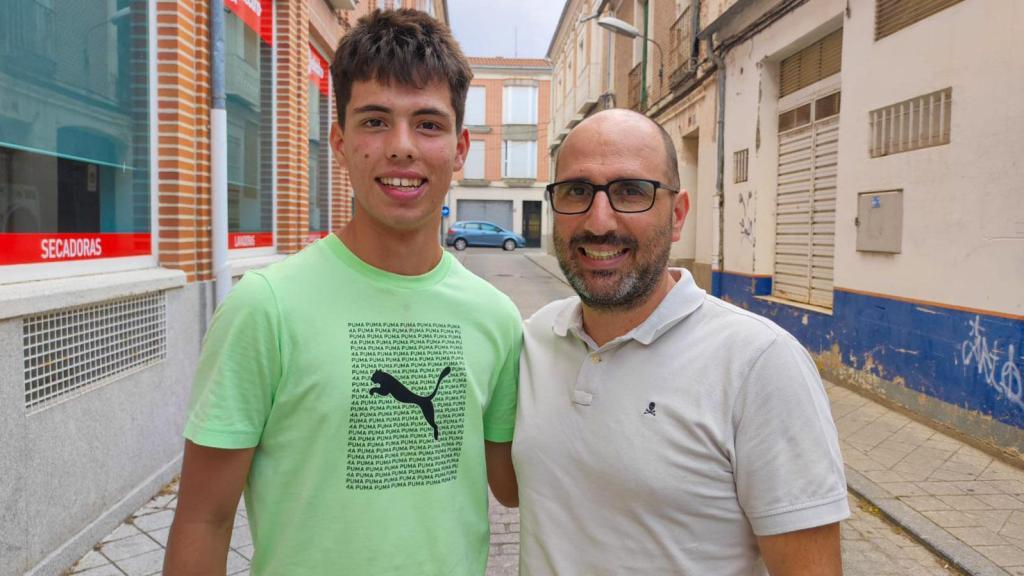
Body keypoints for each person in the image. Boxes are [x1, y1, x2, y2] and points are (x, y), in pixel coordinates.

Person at [164, 9, 520, 575]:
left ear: (460, 148)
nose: (401, 147)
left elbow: (514, 486)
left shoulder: (498, 318)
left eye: (428, 123)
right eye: (375, 121)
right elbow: (203, 520)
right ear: (339, 140)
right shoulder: (265, 308)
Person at [512, 109, 849, 575]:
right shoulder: (535, 339)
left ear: (678, 216)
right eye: (576, 191)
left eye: (631, 191)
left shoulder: (759, 363)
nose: (598, 220)